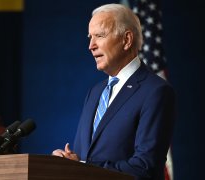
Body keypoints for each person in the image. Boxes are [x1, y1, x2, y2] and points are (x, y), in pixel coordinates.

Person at [52, 3, 175, 180]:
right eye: (90, 37)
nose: (91, 46)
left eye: (99, 36)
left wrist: (82, 167)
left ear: (126, 40)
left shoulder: (156, 91)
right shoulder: (95, 93)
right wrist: (68, 163)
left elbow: (145, 167)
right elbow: (84, 157)